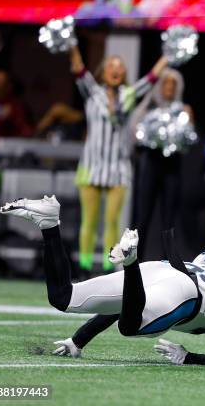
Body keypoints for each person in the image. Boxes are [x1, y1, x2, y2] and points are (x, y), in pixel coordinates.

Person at [0, 195, 205, 367]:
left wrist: (78, 340)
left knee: (63, 297)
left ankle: (49, 223)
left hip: (156, 268)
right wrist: (189, 358)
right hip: (187, 291)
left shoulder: (194, 267)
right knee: (130, 327)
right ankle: (129, 260)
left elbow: (117, 305)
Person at [68, 45, 168, 275]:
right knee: (89, 221)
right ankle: (84, 266)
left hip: (118, 167)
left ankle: (108, 266)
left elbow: (151, 78)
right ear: (103, 71)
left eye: (120, 67)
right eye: (111, 66)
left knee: (112, 220)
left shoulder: (128, 95)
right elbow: (79, 69)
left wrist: (168, 55)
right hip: (91, 165)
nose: (116, 70)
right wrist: (73, 45)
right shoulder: (93, 91)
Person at [128, 68, 192, 259]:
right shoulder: (149, 109)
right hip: (151, 165)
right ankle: (134, 261)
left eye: (174, 85)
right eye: (166, 84)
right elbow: (135, 135)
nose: (170, 88)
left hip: (172, 167)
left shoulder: (183, 111)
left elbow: (188, 141)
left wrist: (188, 119)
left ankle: (168, 262)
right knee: (143, 215)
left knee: (169, 218)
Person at [0, 70, 33, 153]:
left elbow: (26, 131)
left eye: (1, 83)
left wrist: (10, 118)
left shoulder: (14, 106)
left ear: (9, 86)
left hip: (0, 150)